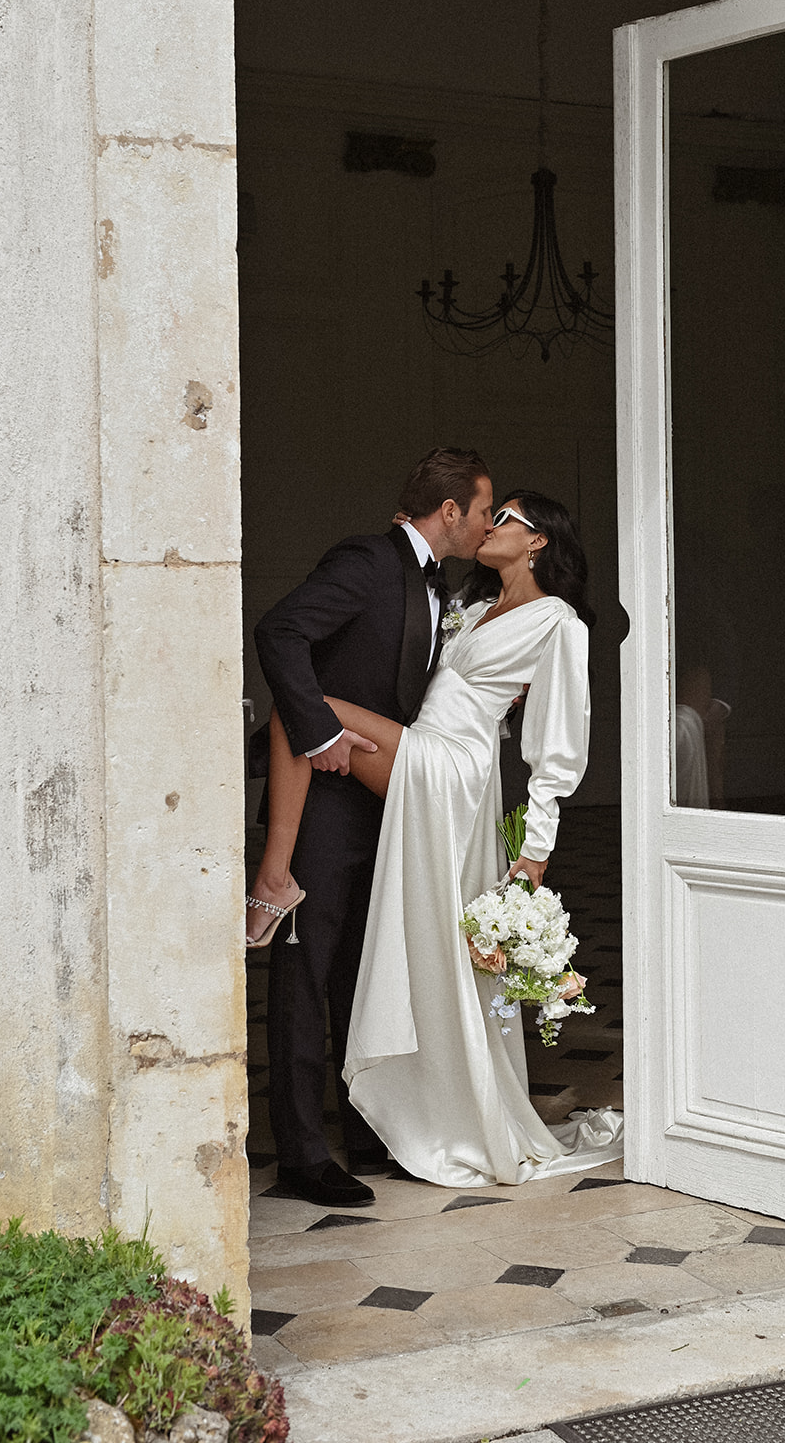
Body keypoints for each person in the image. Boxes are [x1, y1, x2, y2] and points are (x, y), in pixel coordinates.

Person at [258, 490, 623, 1188]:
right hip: (425, 753)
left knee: (303, 706)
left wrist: (534, 852)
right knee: (421, 945)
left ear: (539, 540)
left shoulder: (559, 623)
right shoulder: (471, 605)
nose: (492, 526)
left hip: (453, 773)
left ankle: (274, 875)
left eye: (506, 517)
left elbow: (556, 751)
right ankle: (416, 1110)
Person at [249, 446, 494, 1208]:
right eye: (482, 510)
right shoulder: (367, 560)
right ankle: (300, 1156)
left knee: (364, 973)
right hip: (322, 805)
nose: (487, 524)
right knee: (304, 976)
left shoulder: (444, 588)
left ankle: (366, 1130)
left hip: (387, 805)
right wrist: (319, 733)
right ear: (449, 511)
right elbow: (279, 631)